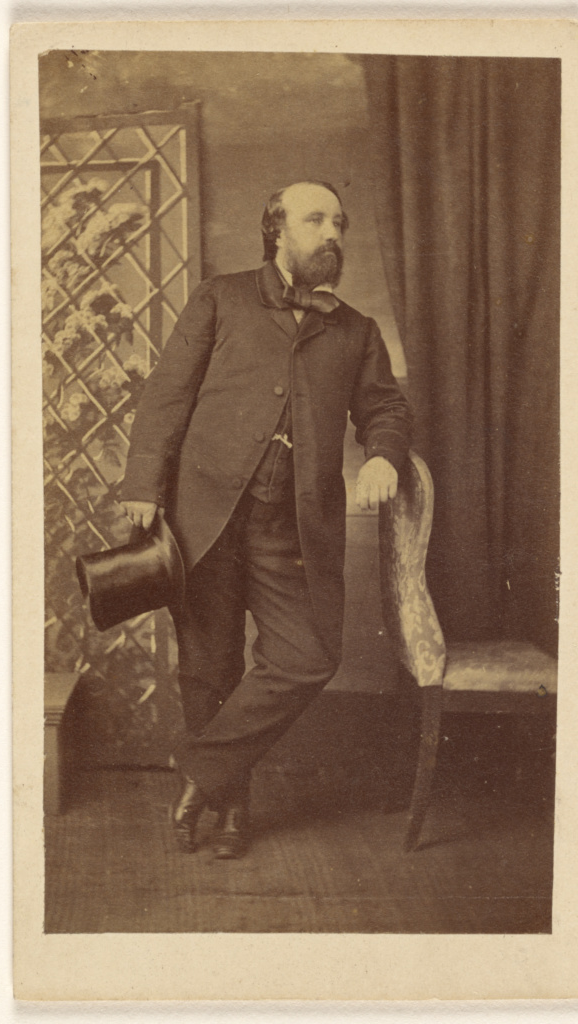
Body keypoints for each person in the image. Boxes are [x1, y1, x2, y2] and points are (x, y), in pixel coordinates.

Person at [120, 180, 412, 858]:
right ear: (275, 228)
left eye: (338, 221)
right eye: (315, 220)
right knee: (207, 667)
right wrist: (143, 484)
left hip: (293, 530)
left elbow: (385, 410)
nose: (331, 233)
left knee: (308, 656)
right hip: (205, 518)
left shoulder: (356, 330)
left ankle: (200, 772)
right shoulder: (220, 297)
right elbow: (167, 394)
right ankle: (230, 812)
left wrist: (383, 456)